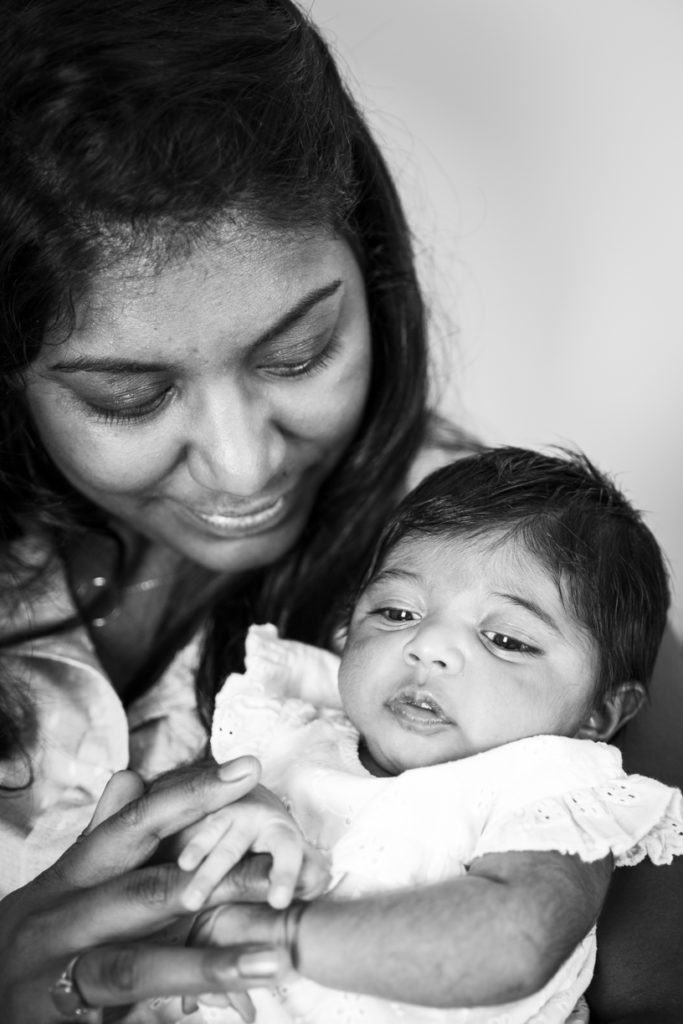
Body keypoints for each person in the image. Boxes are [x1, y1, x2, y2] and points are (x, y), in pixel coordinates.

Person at [0, 1, 678, 1021]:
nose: (240, 467)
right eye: (127, 397)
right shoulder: (296, 729)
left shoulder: (543, 589)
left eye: (298, 353)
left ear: (369, 266)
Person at [194, 446, 682, 1024]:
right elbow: (157, 825)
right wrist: (228, 802)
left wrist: (274, 935)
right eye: (397, 613)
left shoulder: (549, 785)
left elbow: (516, 943)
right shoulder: (289, 724)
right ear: (346, 631)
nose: (427, 647)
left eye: (507, 640)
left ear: (598, 715)